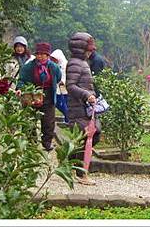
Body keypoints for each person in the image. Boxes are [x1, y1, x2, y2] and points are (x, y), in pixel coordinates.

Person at [66, 32, 101, 185]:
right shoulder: (75, 63)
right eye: (89, 48)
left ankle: (69, 162)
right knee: (88, 138)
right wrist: (87, 95)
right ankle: (81, 174)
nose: (91, 51)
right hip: (78, 108)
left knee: (92, 135)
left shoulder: (82, 62)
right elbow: (71, 86)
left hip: (86, 107)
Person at [17, 42, 61, 152]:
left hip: (48, 94)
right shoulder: (29, 66)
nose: (40, 56)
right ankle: (31, 142)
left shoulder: (53, 67)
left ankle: (47, 143)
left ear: (48, 55)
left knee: (48, 120)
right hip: (32, 93)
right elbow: (21, 80)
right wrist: (20, 88)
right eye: (38, 54)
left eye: (43, 54)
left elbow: (58, 77)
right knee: (30, 118)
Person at [50, 49, 69, 124]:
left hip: (63, 88)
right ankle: (67, 117)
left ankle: (68, 118)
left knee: (64, 103)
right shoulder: (55, 65)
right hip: (58, 88)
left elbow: (63, 77)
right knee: (58, 103)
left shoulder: (64, 64)